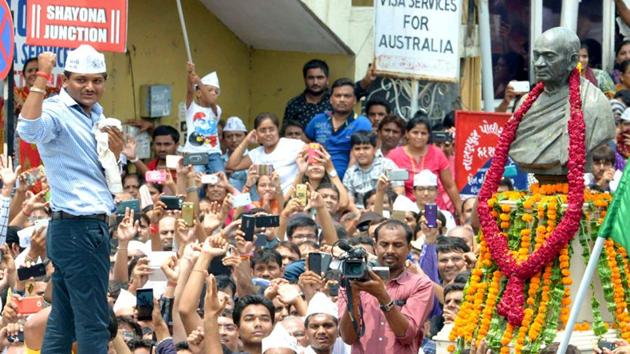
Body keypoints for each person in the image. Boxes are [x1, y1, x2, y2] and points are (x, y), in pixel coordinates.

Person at [17, 46, 123, 353]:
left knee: (62, 323)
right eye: (81, 80)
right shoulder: (56, 109)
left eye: (97, 80)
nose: (90, 87)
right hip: (80, 228)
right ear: (65, 80)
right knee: (93, 323)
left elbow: (104, 178)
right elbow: (27, 129)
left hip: (75, 228)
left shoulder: (98, 116)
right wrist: (41, 76)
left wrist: (115, 156)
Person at [509, 27, 615, 181]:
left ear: (572, 60)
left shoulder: (594, 102)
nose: (539, 63)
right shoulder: (525, 104)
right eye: (536, 56)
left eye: (549, 56)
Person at [338, 219, 434, 354]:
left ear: (409, 248)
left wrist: (382, 296)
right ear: (375, 246)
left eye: (397, 245)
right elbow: (347, 338)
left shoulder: (421, 284)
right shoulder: (351, 279)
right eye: (384, 244)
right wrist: (353, 295)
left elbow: (407, 335)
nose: (390, 250)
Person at [387, 116, 462, 217]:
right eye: (415, 132)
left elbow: (450, 186)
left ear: (428, 136)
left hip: (433, 208)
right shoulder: (395, 156)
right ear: (407, 134)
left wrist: (461, 212)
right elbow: (393, 188)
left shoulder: (437, 153)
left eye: (423, 133)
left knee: (432, 229)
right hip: (406, 211)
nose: (419, 137)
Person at [305, 78, 372, 179]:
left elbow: (363, 155)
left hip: (349, 180)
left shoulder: (362, 123)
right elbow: (304, 144)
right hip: (317, 177)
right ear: (331, 99)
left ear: (354, 100)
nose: (342, 99)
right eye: (338, 96)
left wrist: (346, 183)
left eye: (347, 96)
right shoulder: (318, 120)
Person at [227, 112, 305, 194]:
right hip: (266, 203)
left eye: (271, 129)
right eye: (262, 130)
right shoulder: (256, 153)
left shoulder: (293, 145)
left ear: (277, 130)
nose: (267, 134)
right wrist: (246, 141)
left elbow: (314, 149)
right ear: (256, 133)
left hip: (292, 201)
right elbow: (232, 165)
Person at [14, 57, 60, 170]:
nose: (34, 73)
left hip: (46, 143)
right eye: (30, 71)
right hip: (21, 143)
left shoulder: (54, 94)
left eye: (37, 70)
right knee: (22, 182)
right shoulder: (14, 94)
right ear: (24, 75)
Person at [182, 62, 223, 174]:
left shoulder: (216, 110)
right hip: (193, 153)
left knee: (220, 179)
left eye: (216, 91)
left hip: (213, 153)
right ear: (198, 93)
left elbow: (211, 101)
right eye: (209, 90)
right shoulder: (191, 108)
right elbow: (190, 91)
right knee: (196, 182)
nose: (213, 93)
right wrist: (190, 73)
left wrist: (199, 82)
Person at [343, 131, 402, 208]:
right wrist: (358, 213)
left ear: (374, 149)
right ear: (352, 151)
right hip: (361, 213)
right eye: (357, 149)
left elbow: (399, 190)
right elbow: (349, 200)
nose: (361, 152)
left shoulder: (388, 165)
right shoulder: (350, 173)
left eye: (366, 148)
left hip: (386, 209)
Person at [284, 59, 332, 129]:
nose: (315, 82)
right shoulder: (294, 105)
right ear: (305, 79)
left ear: (327, 80)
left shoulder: (336, 101)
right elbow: (287, 134)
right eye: (311, 78)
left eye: (320, 78)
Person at [222, 116, 249, 191]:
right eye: (229, 136)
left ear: (246, 137)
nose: (234, 140)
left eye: (238, 135)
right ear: (223, 140)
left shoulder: (255, 158)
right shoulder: (219, 161)